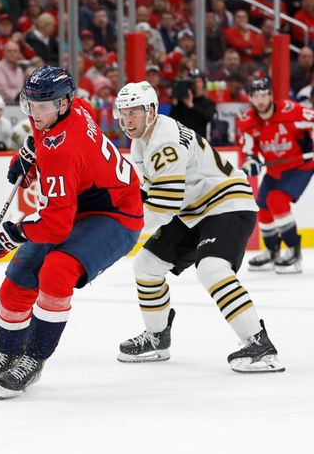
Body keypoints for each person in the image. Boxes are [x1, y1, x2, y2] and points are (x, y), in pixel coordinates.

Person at [0, 67, 143, 399]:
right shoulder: (68, 110)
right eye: (29, 103)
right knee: (19, 276)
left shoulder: (64, 149)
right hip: (80, 204)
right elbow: (50, 141)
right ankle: (9, 353)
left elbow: (56, 224)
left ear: (63, 104)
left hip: (116, 214)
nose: (34, 112)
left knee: (57, 271)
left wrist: (5, 237)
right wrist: (31, 152)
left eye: (41, 105)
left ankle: (33, 358)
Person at [115, 81, 284, 373]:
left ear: (152, 111)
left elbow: (164, 204)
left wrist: (121, 236)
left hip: (228, 202)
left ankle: (259, 344)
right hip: (193, 210)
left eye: (135, 112)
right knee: (146, 265)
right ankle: (157, 338)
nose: (128, 120)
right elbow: (152, 195)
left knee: (212, 268)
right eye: (123, 113)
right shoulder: (141, 141)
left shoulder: (164, 140)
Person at [239, 78, 314, 274]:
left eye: (264, 94)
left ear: (270, 95)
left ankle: (293, 253)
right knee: (262, 205)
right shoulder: (248, 121)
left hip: (300, 165)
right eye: (256, 96)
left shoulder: (291, 110)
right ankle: (272, 251)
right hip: (275, 169)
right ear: (250, 99)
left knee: (276, 200)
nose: (261, 100)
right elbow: (249, 149)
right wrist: (251, 160)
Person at [169, 69, 217, 138]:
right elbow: (172, 122)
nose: (195, 84)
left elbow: (209, 118)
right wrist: (175, 104)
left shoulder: (208, 103)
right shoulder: (181, 103)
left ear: (204, 84)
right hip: (183, 141)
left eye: (198, 81)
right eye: (192, 82)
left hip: (200, 141)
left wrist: (191, 106)